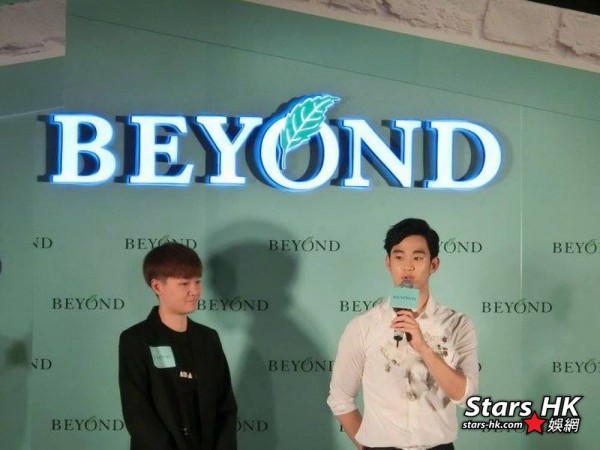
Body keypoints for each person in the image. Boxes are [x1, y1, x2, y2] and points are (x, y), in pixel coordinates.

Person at [327, 218, 478, 450]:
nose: (407, 267)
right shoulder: (363, 326)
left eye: (417, 258)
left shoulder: (458, 324)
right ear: (388, 263)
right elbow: (340, 399)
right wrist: (367, 446)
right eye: (399, 257)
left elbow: (466, 397)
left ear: (434, 264)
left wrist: (424, 349)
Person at [119, 242, 237, 450]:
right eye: (184, 284)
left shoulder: (208, 338)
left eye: (197, 281)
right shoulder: (136, 339)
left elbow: (226, 407)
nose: (195, 291)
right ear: (157, 287)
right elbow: (138, 413)